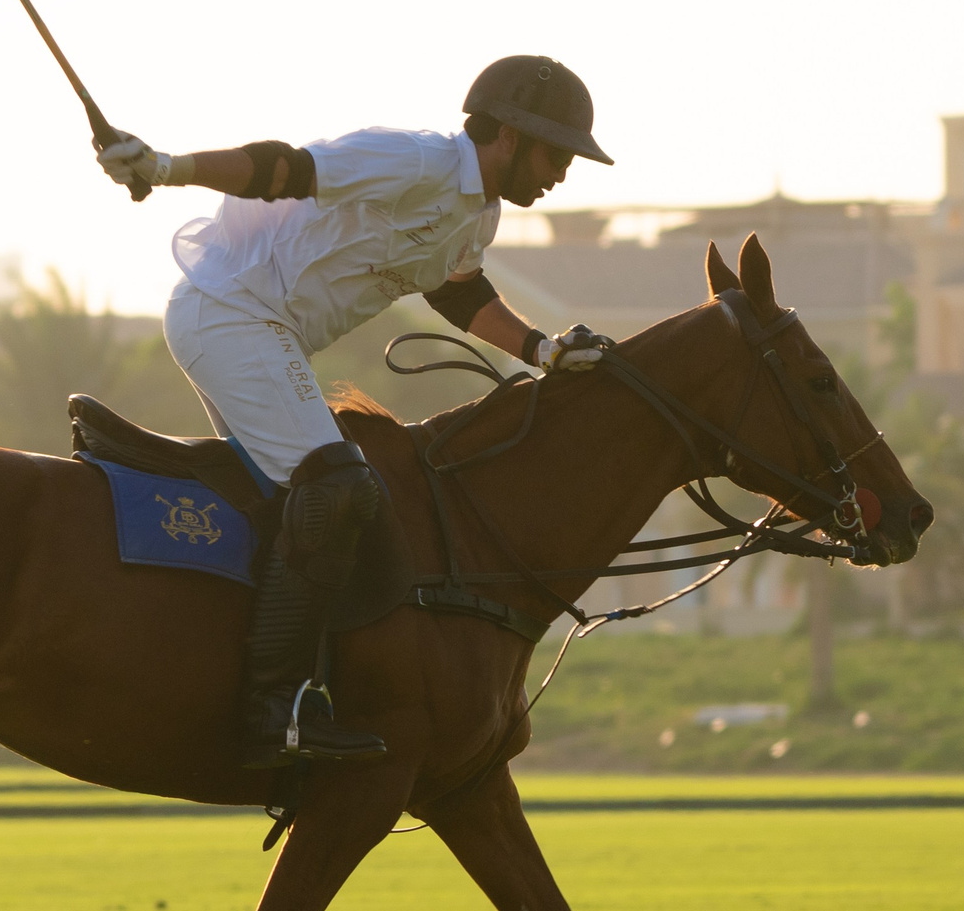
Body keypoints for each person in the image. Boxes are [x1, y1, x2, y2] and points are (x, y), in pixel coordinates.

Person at [96, 55, 614, 767]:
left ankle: (249, 677)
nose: (562, 172)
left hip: (259, 333)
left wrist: (543, 348)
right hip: (229, 314)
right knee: (341, 486)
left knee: (300, 505)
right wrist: (165, 164)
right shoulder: (417, 159)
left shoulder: (479, 217)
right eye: (557, 153)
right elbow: (284, 171)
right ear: (509, 135)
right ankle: (272, 711)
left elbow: (457, 293)